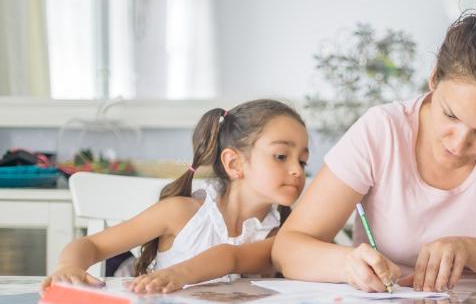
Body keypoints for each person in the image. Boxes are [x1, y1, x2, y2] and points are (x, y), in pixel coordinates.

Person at [274, 0, 476, 293]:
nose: (460, 143)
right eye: (450, 116)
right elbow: (287, 250)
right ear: (434, 78)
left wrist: (469, 249)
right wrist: (347, 264)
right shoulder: (382, 130)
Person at [42, 99, 309, 293]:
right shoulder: (181, 212)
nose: (297, 170)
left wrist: (179, 275)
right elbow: (91, 246)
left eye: (303, 161)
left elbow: (230, 257)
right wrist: (69, 266)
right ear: (234, 164)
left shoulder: (281, 234)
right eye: (281, 156)